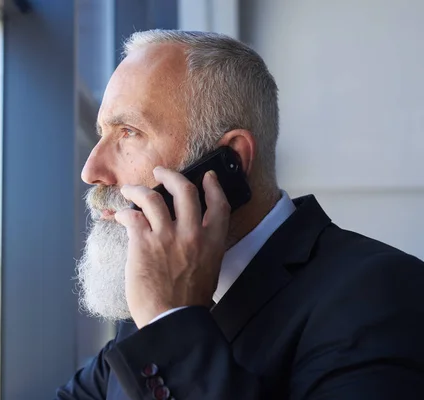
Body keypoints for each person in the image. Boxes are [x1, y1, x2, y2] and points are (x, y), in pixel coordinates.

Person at [56, 30, 424, 400]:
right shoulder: (146, 302)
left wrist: (170, 321)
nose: (91, 170)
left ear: (227, 162)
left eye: (129, 133)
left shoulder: (382, 295)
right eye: (102, 133)